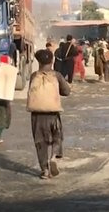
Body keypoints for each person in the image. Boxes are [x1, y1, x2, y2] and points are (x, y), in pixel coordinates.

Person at [27, 49, 70, 179]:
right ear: (52, 61)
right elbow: (67, 91)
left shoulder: (34, 76)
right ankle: (54, 157)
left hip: (37, 115)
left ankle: (45, 170)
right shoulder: (56, 75)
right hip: (53, 114)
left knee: (40, 142)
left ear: (38, 62)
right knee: (57, 137)